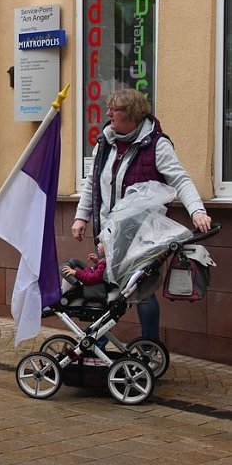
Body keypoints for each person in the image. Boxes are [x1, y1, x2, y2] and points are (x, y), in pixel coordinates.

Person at [72, 88, 212, 341]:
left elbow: (180, 179)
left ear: (132, 114)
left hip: (142, 236)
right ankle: (98, 347)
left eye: (114, 109)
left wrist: (197, 211)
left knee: (141, 291)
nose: (108, 113)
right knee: (106, 289)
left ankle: (149, 348)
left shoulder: (157, 145)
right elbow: (93, 182)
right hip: (108, 233)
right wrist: (81, 216)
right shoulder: (105, 143)